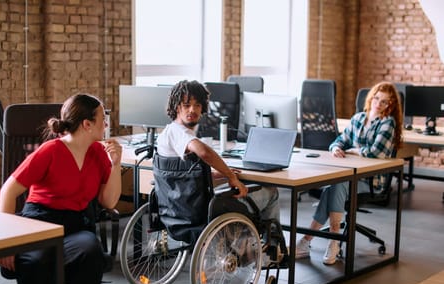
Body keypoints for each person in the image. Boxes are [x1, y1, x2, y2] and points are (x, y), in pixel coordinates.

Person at [0, 93, 122, 284]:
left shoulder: (98, 153)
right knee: (35, 263)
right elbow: (8, 190)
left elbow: (109, 202)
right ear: (87, 124)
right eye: (102, 119)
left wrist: (116, 163)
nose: (106, 124)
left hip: (76, 225)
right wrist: (7, 243)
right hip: (40, 222)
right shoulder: (51, 151)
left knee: (91, 250)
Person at [156, 79, 281, 244]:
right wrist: (230, 176)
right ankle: (271, 251)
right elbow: (204, 151)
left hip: (177, 207)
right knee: (271, 192)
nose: (192, 110)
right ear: (176, 107)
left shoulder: (167, 132)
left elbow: (182, 177)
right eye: (186, 105)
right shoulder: (180, 134)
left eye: (197, 105)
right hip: (200, 209)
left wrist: (215, 175)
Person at [296, 81, 403, 265]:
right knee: (336, 184)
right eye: (377, 98)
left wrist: (352, 150)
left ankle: (314, 241)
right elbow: (339, 140)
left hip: (370, 181)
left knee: (336, 184)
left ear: (390, 105)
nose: (379, 103)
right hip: (349, 177)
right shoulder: (358, 118)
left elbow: (375, 152)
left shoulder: (387, 123)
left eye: (385, 102)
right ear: (371, 98)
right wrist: (336, 147)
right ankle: (331, 240)